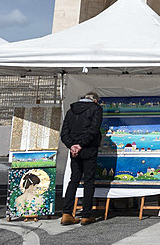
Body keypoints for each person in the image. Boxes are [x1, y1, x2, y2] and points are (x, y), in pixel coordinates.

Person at [60, 91, 103, 226]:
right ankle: (86, 215)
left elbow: (64, 133)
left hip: (74, 151)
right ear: (95, 101)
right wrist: (81, 145)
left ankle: (66, 213)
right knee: (89, 181)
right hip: (89, 149)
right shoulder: (96, 109)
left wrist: (72, 146)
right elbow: (93, 130)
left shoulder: (71, 110)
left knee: (74, 180)